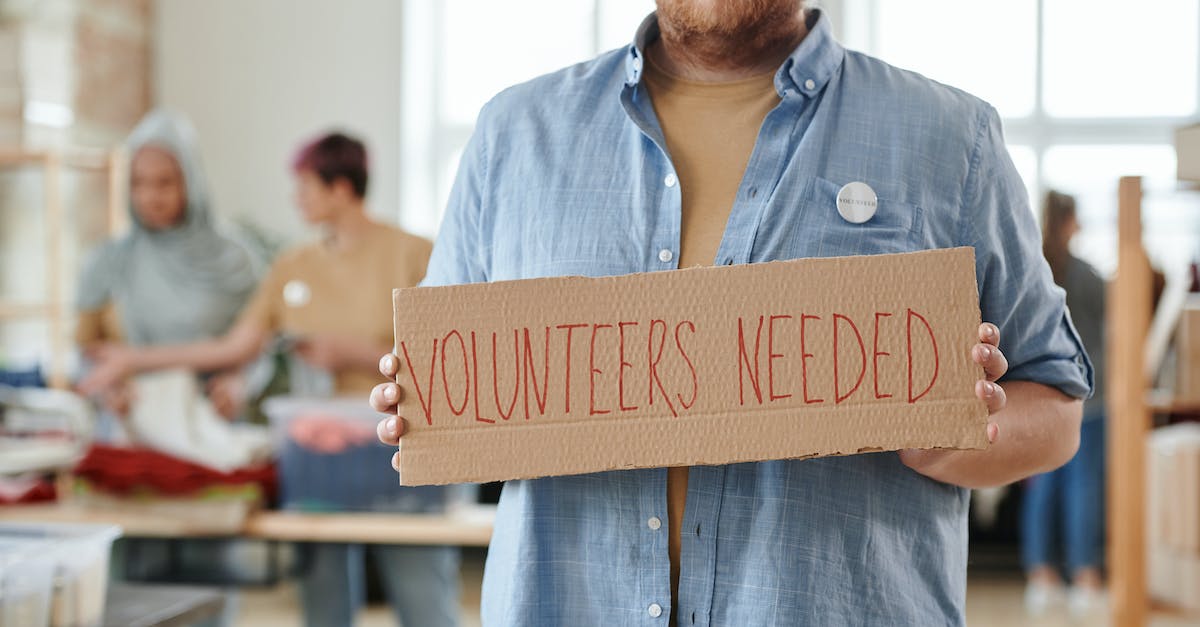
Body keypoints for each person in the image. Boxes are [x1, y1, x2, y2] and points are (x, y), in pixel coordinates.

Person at [372, 2, 1094, 625]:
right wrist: (416, 407)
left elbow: (1055, 402)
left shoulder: (950, 136)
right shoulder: (513, 136)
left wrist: (958, 433)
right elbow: (452, 392)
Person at [80, 132, 459, 627]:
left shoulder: (416, 253)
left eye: (304, 186)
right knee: (322, 599)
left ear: (341, 188)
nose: (295, 198)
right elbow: (231, 348)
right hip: (319, 450)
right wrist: (131, 359)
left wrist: (352, 352)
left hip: (404, 448)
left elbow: (448, 363)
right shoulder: (293, 266)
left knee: (421, 592)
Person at [75, 109, 260, 627]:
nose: (151, 196)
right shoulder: (109, 261)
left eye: (165, 182)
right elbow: (84, 350)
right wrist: (107, 393)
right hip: (136, 440)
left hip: (208, 439)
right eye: (138, 183)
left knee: (209, 590)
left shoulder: (235, 260)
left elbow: (262, 347)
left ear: (191, 181)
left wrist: (240, 381)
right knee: (133, 592)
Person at [1021, 190, 1107, 618]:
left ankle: (1041, 577)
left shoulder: (1035, 269)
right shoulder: (1089, 276)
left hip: (1040, 397)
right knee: (1083, 488)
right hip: (1088, 400)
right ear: (1070, 221)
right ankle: (1086, 577)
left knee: (1042, 488)